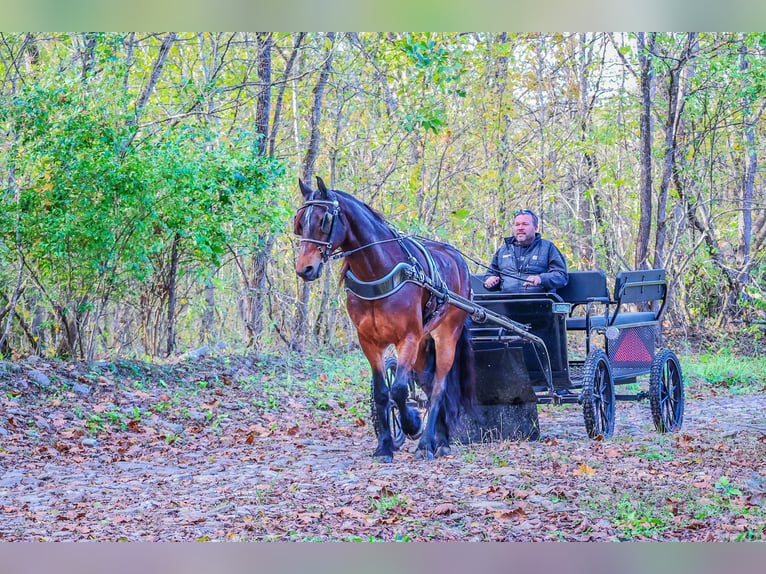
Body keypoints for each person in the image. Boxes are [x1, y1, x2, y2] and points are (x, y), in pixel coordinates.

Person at [483, 208, 568, 293]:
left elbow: (561, 276)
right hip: (506, 302)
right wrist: (490, 281)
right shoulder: (503, 250)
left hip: (540, 301)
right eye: (517, 224)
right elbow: (490, 276)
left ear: (536, 228)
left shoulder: (548, 248)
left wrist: (540, 278)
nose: (520, 228)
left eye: (525, 224)